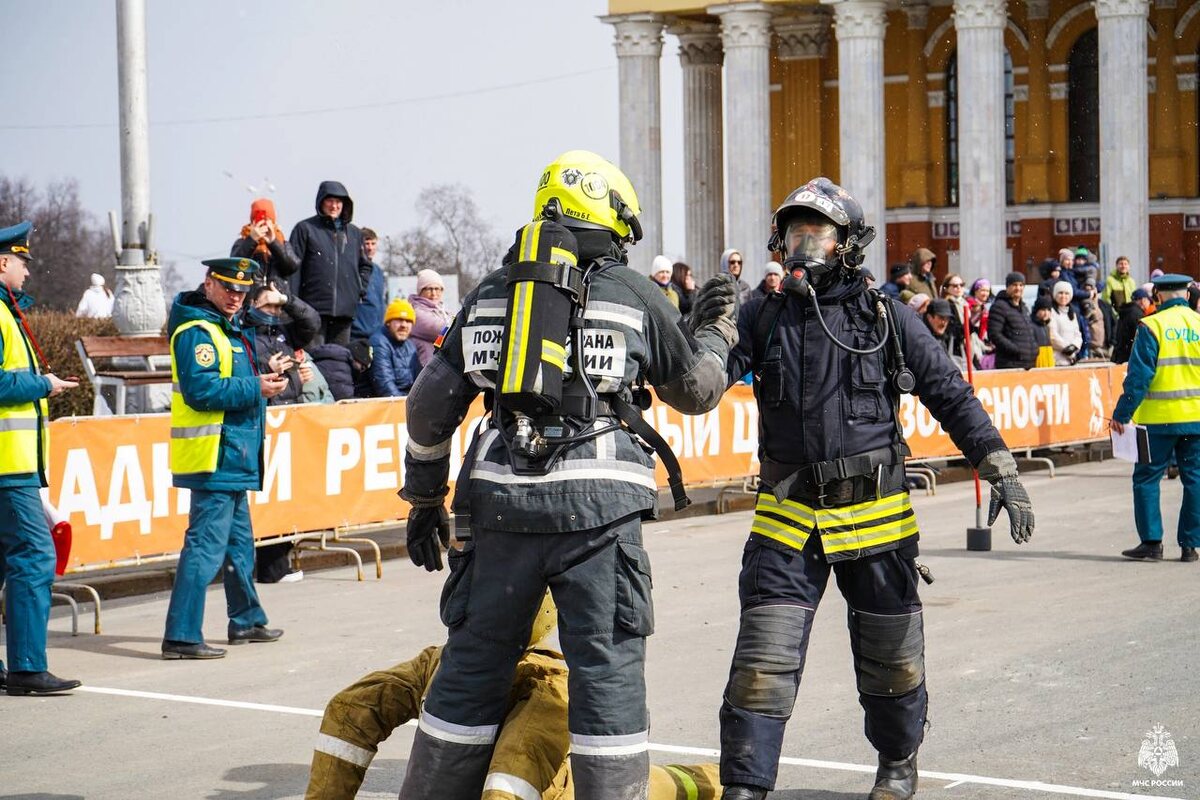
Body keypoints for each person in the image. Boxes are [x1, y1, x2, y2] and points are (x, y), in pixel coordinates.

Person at [396, 150, 738, 800]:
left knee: (470, 673)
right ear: (610, 222)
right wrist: (717, 332)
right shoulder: (637, 292)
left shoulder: (493, 292)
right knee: (605, 677)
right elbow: (694, 390)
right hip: (599, 519)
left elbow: (427, 407)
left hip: (499, 513)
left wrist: (423, 500)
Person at [718, 178, 1033, 800]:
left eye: (818, 234)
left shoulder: (886, 317)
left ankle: (897, 763)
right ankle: (745, 786)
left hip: (877, 517)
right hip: (787, 518)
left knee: (892, 660)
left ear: (848, 246)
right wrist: (693, 339)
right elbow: (701, 385)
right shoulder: (760, 315)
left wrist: (1000, 467)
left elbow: (950, 392)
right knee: (763, 662)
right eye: (794, 234)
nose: (803, 247)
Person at [306, 595, 724, 800]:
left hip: (559, 791)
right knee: (354, 707)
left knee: (662, 786)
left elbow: (509, 784)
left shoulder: (547, 684)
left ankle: (719, 781)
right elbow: (352, 710)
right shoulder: (448, 660)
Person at [161, 257, 288, 660]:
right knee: (205, 547)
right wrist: (257, 387)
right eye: (228, 288)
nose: (236, 297)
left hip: (232, 454)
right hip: (212, 454)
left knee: (238, 546)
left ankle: (246, 619)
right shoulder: (198, 330)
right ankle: (181, 635)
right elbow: (203, 392)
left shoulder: (226, 327)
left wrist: (261, 378)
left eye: (242, 290)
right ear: (209, 284)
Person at [0, 220, 82, 696]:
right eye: (23, 261)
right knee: (35, 555)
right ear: (3, 262)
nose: (28, 270)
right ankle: (28, 668)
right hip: (8, 467)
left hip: (13, 464)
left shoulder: (9, 311)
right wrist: (44, 384)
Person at [1110, 274, 1200, 564]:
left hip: (1158, 420)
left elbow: (1139, 377)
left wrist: (1122, 413)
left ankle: (1151, 543)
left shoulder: (1152, 326)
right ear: (1187, 295)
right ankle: (1190, 546)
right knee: (1195, 480)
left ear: (1158, 296)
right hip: (1197, 419)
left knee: (1147, 478)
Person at [243, 281, 324, 584]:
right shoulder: (246, 334)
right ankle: (267, 566)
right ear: (252, 306)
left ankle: (277, 562)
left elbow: (311, 322)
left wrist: (286, 299)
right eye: (269, 305)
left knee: (283, 495)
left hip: (288, 419)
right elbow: (246, 373)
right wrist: (267, 365)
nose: (275, 312)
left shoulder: (283, 331)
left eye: (278, 307)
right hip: (264, 419)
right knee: (266, 498)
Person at [288, 181, 374, 346]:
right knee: (313, 362)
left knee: (338, 362)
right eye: (330, 201)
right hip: (312, 311)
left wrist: (358, 289)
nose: (334, 206)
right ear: (321, 202)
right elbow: (293, 269)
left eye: (339, 201)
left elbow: (365, 265)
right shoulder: (305, 229)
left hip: (344, 313)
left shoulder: (355, 233)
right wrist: (294, 305)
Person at [231, 197, 300, 288]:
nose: (263, 223)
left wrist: (273, 243)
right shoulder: (243, 242)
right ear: (252, 221)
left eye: (267, 219)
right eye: (259, 218)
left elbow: (292, 267)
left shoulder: (282, 242)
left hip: (276, 297)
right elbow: (235, 266)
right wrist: (252, 239)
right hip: (250, 298)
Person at [369, 298, 422, 398]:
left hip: (407, 402)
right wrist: (405, 406)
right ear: (388, 322)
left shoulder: (410, 345)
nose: (404, 325)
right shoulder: (379, 342)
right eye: (399, 320)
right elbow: (384, 385)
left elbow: (419, 382)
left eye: (408, 321)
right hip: (387, 406)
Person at [987, 272, 1039, 370]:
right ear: (1007, 287)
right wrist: (1016, 350)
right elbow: (994, 334)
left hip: (1028, 364)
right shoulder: (999, 306)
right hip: (1010, 364)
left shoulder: (1024, 307)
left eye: (1021, 285)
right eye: (1014, 285)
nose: (1018, 288)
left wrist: (1035, 349)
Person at [408, 269, 454, 367]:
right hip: (426, 369)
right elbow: (443, 330)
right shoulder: (416, 313)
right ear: (420, 291)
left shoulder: (443, 311)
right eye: (429, 289)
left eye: (437, 289)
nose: (434, 293)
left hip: (441, 367)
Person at [351, 228, 388, 341]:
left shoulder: (378, 271)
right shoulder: (352, 268)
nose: (370, 248)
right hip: (358, 333)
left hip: (377, 332)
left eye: (373, 243)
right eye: (366, 243)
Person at [310, 339, 374, 401]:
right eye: (362, 367)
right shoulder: (342, 369)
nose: (361, 371)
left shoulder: (333, 356)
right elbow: (344, 399)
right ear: (356, 359)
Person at [1112, 288, 1151, 364]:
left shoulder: (1126, 311)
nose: (1149, 303)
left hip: (1120, 355)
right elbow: (1139, 337)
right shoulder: (1137, 314)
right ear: (1143, 300)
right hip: (1130, 357)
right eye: (1148, 300)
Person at [922, 298, 965, 369]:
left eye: (947, 318)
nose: (944, 323)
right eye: (941, 318)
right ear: (929, 317)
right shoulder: (922, 340)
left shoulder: (940, 337)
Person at [1048, 281, 1084, 366]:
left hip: (1071, 360)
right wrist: (1068, 350)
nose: (1063, 296)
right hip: (1057, 360)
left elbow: (1078, 334)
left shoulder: (1072, 313)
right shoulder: (1051, 312)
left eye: (1066, 293)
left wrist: (1074, 347)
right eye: (1060, 293)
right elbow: (1053, 336)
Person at [1031, 297, 1056, 368]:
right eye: (1043, 310)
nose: (1046, 313)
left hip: (1048, 359)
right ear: (1036, 311)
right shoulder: (1031, 326)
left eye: (1048, 310)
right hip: (1037, 361)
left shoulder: (1046, 327)